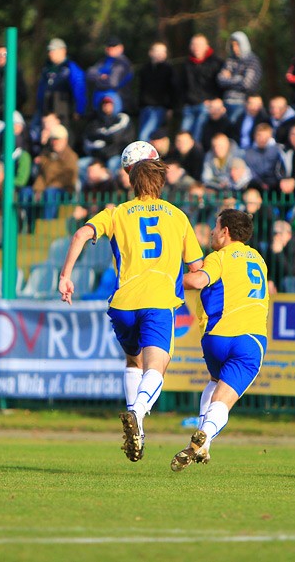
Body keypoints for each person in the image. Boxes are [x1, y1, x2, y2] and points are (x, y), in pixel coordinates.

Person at [58, 159, 204, 462]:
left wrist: (65, 276)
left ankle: (139, 432)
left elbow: (80, 235)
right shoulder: (178, 216)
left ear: (132, 184)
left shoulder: (116, 212)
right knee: (156, 367)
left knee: (133, 359)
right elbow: (197, 270)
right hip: (158, 301)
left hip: (123, 304)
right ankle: (136, 413)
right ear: (161, 185)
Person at [172, 209, 269, 471]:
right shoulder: (259, 260)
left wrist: (164, 281)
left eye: (215, 227)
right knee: (223, 402)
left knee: (214, 385)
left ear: (225, 232)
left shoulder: (219, 257)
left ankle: (204, 444)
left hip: (215, 339)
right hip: (249, 340)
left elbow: (197, 280)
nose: (213, 232)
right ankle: (206, 434)